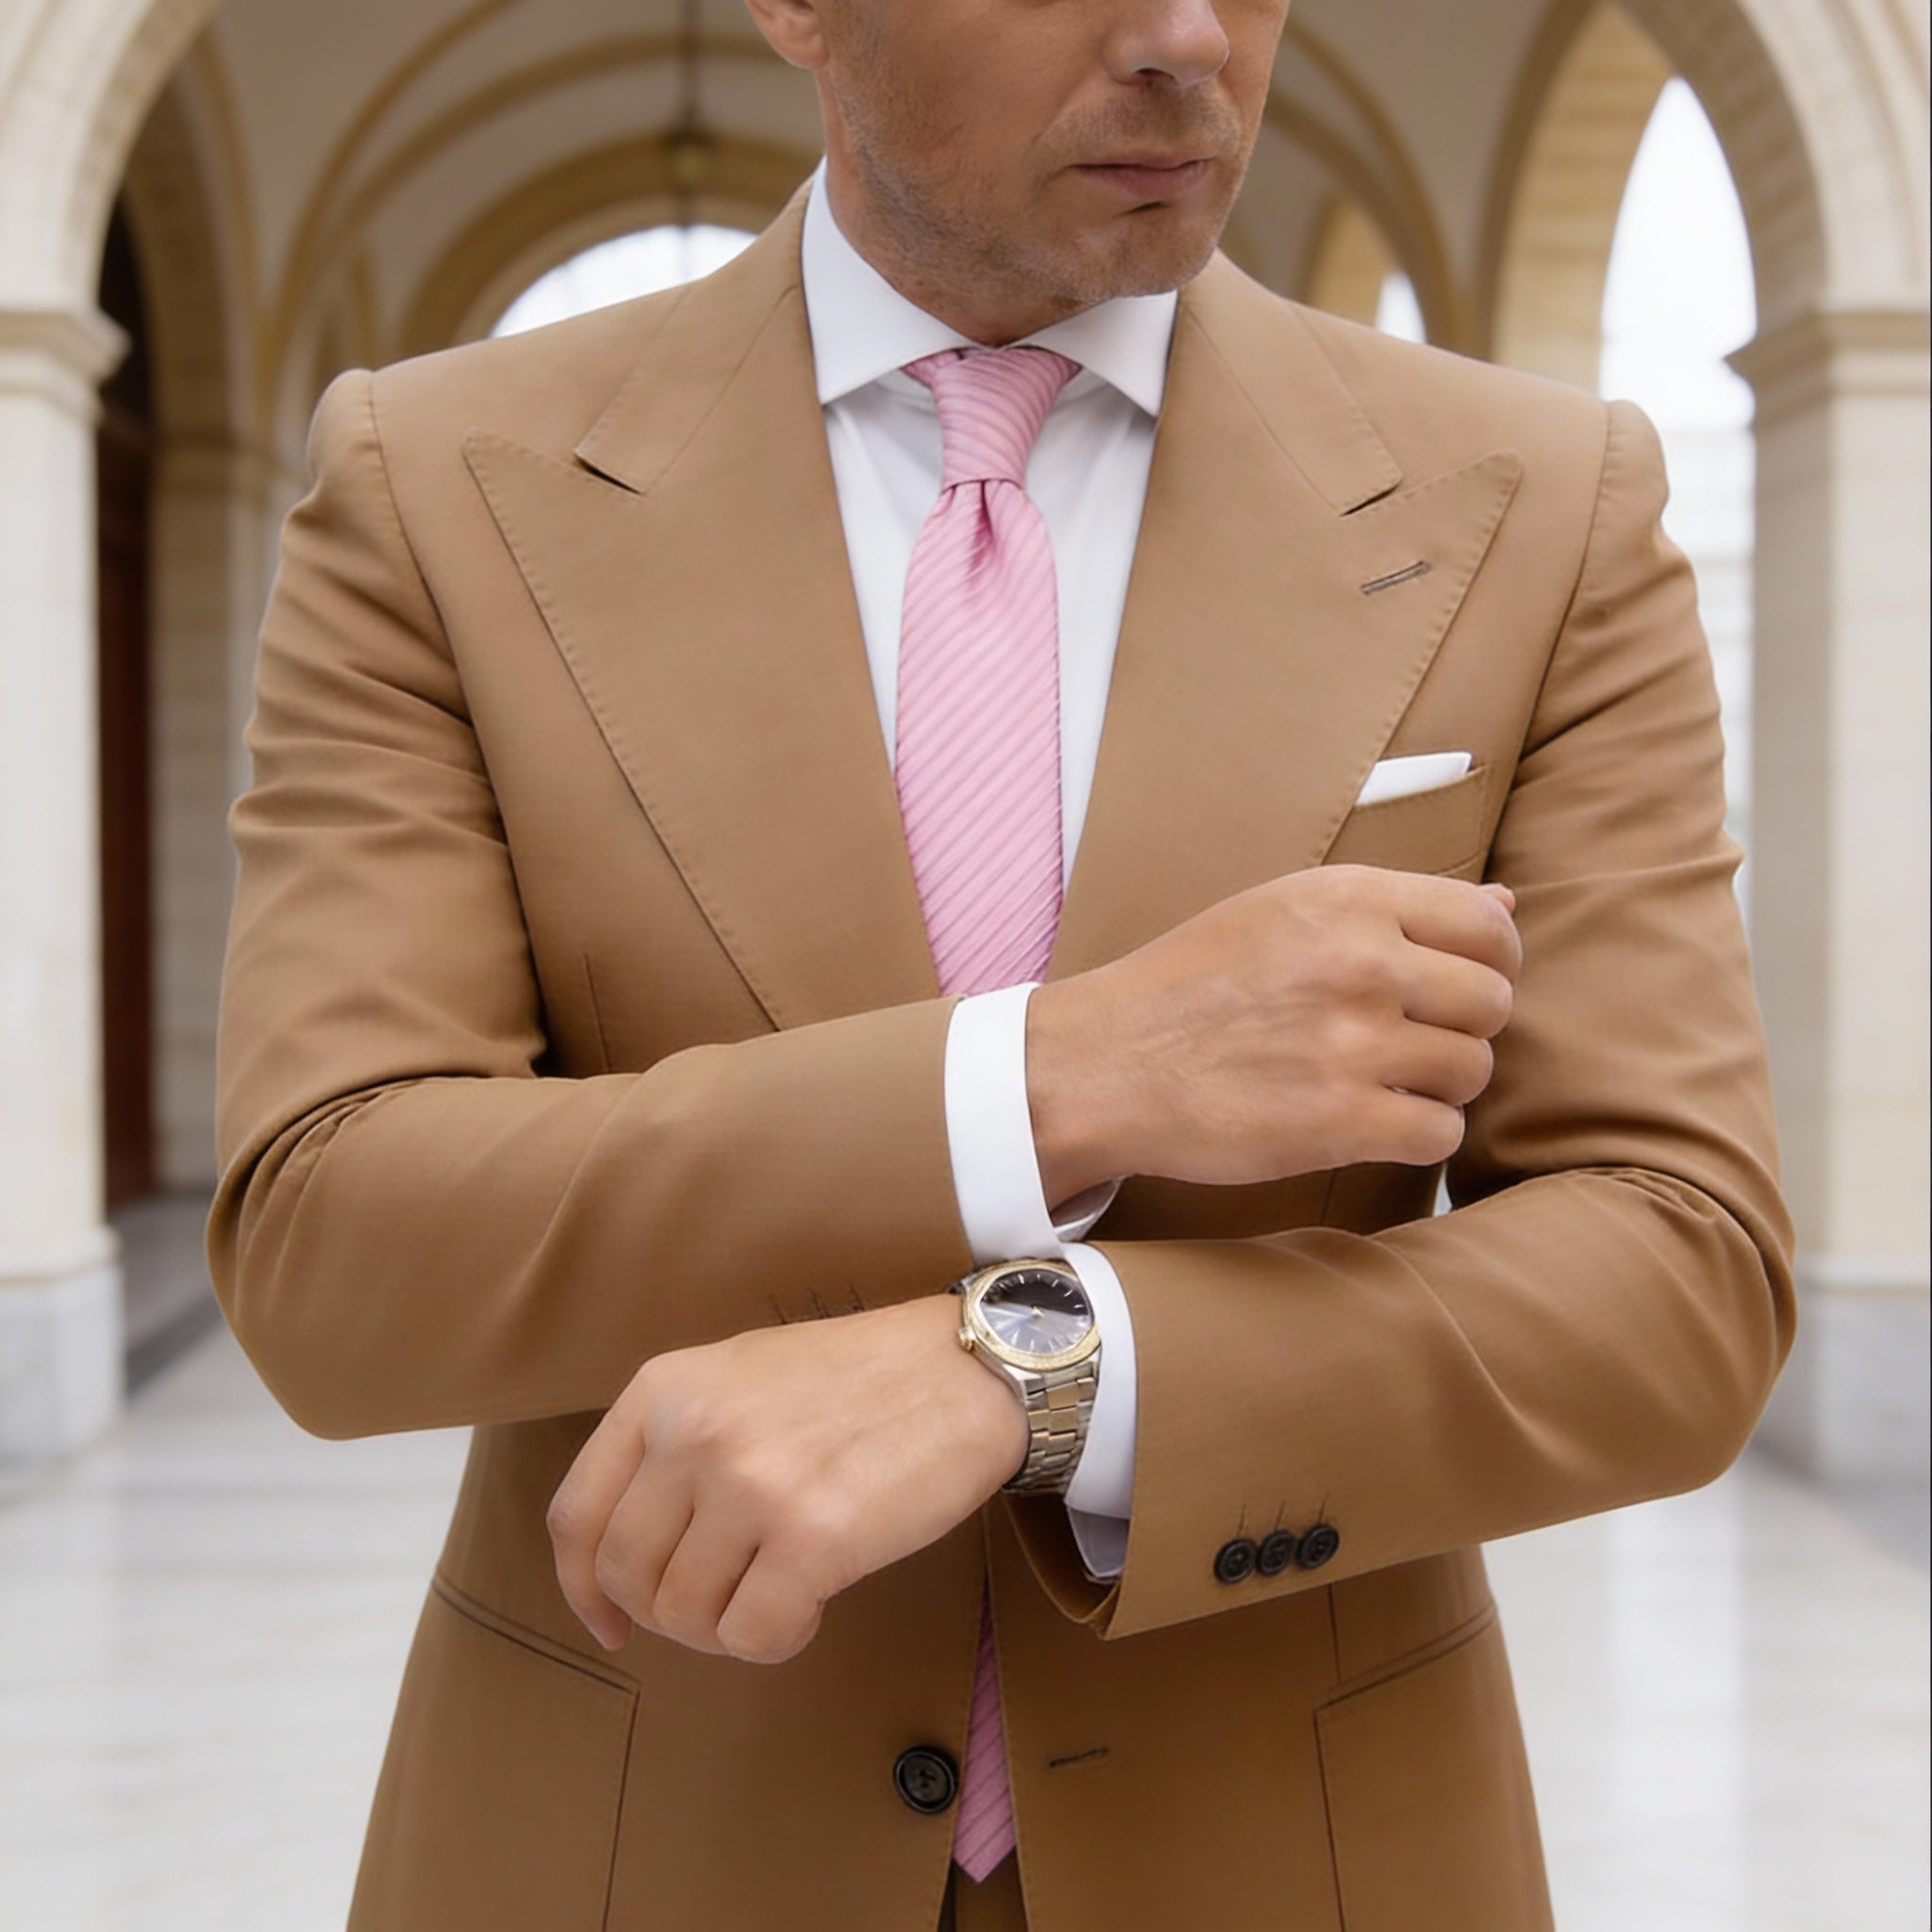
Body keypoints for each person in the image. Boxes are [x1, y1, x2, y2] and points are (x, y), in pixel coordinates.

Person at [208, 1, 1794, 1926]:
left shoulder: (1542, 509)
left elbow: (1676, 1268)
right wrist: (1055, 1077)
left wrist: (1034, 1371)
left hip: (1300, 1857)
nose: (1187, 33)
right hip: (633, 1846)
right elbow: (332, 1239)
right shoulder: (436, 486)